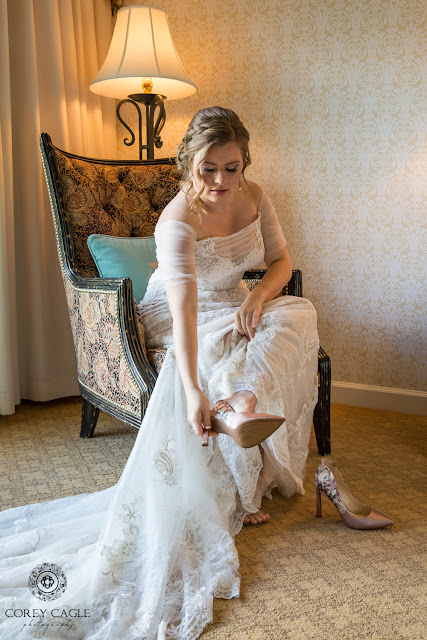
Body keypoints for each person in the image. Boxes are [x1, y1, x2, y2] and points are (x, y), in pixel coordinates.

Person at [0, 107, 319, 640]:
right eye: (208, 169)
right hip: (175, 314)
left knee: (297, 314)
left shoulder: (256, 196)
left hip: (235, 300)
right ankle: (229, 418)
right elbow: (185, 306)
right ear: (189, 165)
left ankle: (240, 409)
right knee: (217, 357)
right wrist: (191, 388)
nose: (221, 181)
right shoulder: (176, 222)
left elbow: (282, 261)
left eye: (232, 168)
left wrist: (260, 297)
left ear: (245, 163)